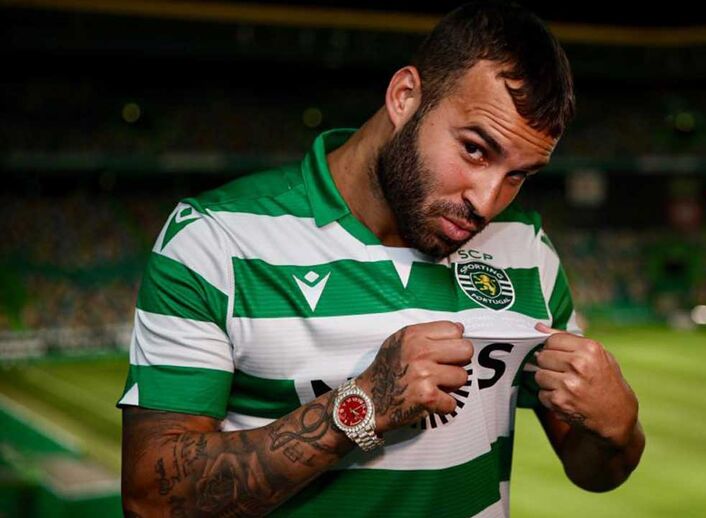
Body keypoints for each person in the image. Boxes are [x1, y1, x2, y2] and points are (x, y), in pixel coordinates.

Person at [118, 2, 644, 516]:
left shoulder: (526, 246)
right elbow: (151, 497)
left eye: (518, 175)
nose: (486, 202)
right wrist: (362, 406)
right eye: (475, 149)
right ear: (405, 97)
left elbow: (594, 471)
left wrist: (619, 428)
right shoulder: (214, 239)